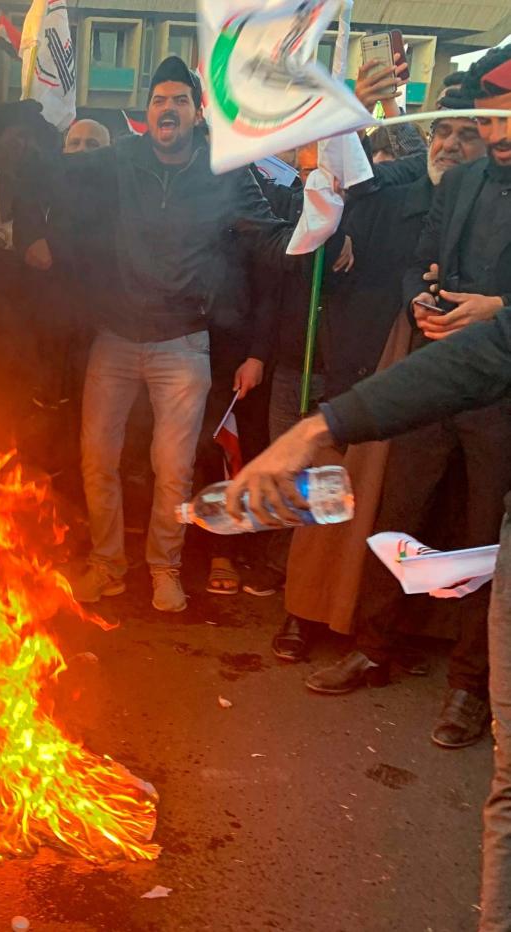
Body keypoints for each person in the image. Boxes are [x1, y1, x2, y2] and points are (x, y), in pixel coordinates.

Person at [299, 48, 511, 751]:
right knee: (399, 515)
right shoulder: (464, 179)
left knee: (483, 541)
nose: (493, 127)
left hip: (502, 391)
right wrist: (422, 306)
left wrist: (496, 309)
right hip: (435, 372)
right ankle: (373, 647)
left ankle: (469, 688)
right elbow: (421, 259)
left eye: (501, 113)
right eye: (488, 112)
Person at [58, 55, 296, 613]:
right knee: (98, 458)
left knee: (175, 467)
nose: (169, 108)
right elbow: (60, 176)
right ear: (147, 113)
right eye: (160, 100)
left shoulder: (224, 171)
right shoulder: (120, 160)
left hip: (184, 342)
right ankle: (107, 565)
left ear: (195, 113)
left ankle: (165, 568)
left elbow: (267, 237)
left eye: (179, 100)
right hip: (115, 337)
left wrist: (317, 235)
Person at [276, 84, 484, 665]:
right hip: (365, 366)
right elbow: (333, 216)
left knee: (411, 513)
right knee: (331, 498)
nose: (451, 145)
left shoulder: (491, 209)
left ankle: (397, 631)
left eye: (467, 135)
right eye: (443, 132)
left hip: (447, 383)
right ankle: (303, 612)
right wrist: (334, 239)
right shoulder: (392, 194)